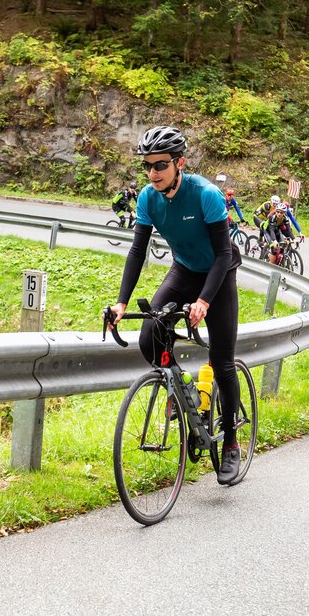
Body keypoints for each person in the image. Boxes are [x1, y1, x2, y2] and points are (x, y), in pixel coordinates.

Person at [107, 126, 245, 485]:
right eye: (148, 166)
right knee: (149, 336)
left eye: (161, 165)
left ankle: (230, 443)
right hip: (183, 270)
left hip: (219, 272)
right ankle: (180, 387)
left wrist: (204, 301)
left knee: (224, 361)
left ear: (179, 163)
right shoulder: (148, 199)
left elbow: (223, 253)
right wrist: (121, 302)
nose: (153, 172)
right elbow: (137, 251)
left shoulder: (206, 194)